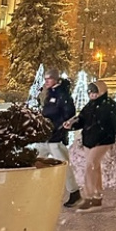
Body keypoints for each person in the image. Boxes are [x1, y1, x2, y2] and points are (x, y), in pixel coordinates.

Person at [63, 81, 116, 213]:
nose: (91, 94)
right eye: (90, 92)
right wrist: (71, 126)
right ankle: (97, 196)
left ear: (101, 91)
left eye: (94, 91)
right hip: (89, 141)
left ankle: (89, 197)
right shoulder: (89, 106)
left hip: (103, 140)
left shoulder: (110, 105)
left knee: (90, 165)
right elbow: (81, 120)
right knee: (94, 167)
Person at [36, 68, 80, 207]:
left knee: (63, 165)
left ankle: (74, 192)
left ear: (55, 79)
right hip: (45, 136)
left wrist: (60, 129)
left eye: (49, 79)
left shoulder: (63, 95)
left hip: (55, 138)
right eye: (46, 79)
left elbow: (69, 115)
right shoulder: (50, 93)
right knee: (34, 160)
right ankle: (32, 186)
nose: (46, 81)